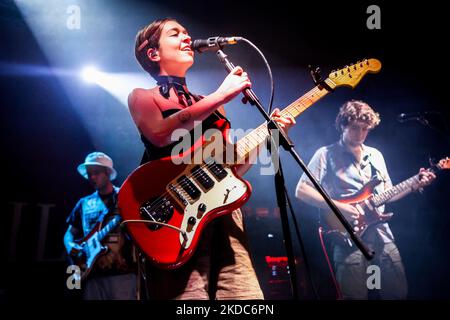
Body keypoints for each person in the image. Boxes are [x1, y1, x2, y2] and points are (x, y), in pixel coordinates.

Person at [128, 18, 294, 300]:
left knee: (245, 299)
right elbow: (159, 134)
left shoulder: (211, 104)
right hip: (174, 221)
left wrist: (270, 135)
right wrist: (221, 95)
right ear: (153, 53)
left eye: (187, 32)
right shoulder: (142, 96)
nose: (187, 37)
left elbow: (233, 168)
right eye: (175, 33)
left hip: (224, 216)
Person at [295, 100, 436, 299]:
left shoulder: (375, 155)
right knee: (354, 296)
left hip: (382, 235)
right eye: (355, 128)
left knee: (397, 293)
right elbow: (301, 190)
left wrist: (415, 184)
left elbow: (389, 193)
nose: (360, 134)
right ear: (343, 125)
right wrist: (341, 208)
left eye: (365, 129)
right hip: (349, 238)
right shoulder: (325, 155)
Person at [64, 151, 137, 300]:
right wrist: (71, 246)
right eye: (89, 174)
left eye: (96, 173)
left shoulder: (124, 197)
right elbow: (69, 233)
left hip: (122, 274)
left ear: (108, 173)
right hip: (91, 275)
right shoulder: (84, 203)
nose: (92, 177)